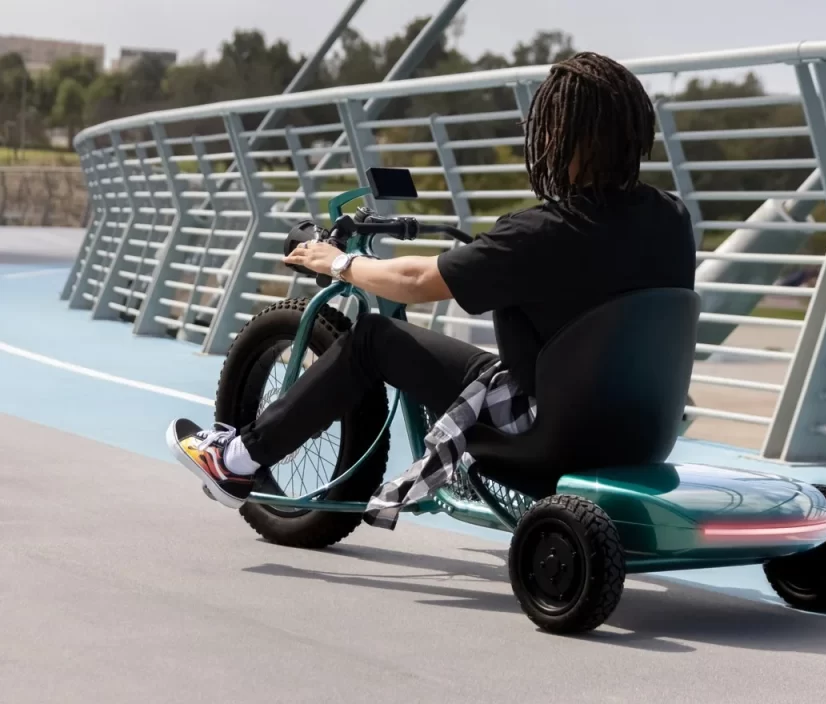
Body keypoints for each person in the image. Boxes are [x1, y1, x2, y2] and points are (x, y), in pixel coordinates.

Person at [167, 51, 697, 521]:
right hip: (642, 433)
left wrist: (339, 263)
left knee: (375, 338)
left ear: (561, 138)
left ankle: (236, 461)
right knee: (494, 364)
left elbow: (414, 281)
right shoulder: (672, 220)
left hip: (553, 436)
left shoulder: (546, 232)